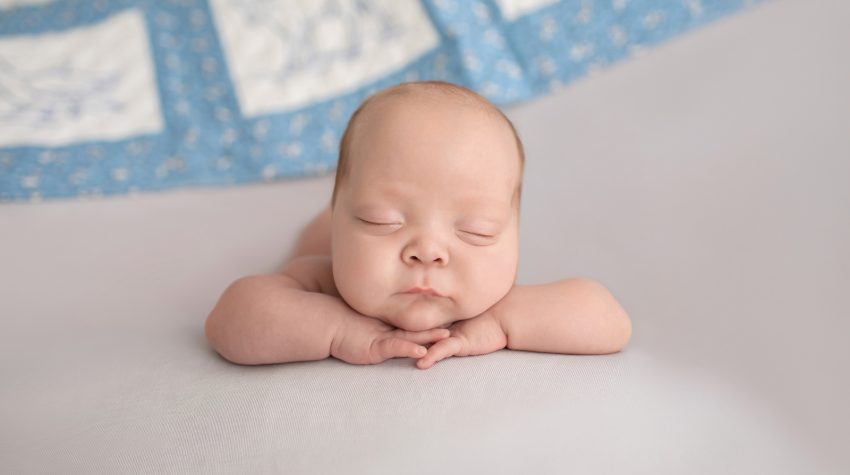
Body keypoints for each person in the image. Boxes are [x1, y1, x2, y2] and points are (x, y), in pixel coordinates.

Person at [205, 80, 631, 370]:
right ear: (341, 219)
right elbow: (230, 321)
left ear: (515, 233)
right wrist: (338, 329)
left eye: (477, 230)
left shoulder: (491, 299)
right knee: (310, 241)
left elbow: (609, 320)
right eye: (381, 220)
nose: (428, 251)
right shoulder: (324, 279)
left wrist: (501, 323)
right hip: (323, 242)